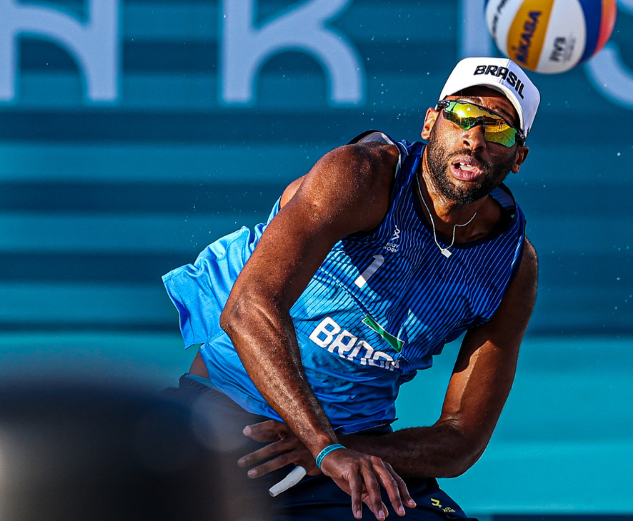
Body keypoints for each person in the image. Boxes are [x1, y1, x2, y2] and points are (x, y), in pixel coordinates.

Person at [162, 57, 540, 521]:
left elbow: (461, 439)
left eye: (498, 130)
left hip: (353, 451)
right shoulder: (360, 176)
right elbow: (248, 307)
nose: (474, 138)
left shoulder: (512, 265)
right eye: (461, 116)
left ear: (517, 157)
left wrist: (334, 453)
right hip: (229, 423)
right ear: (430, 122)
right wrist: (324, 447)